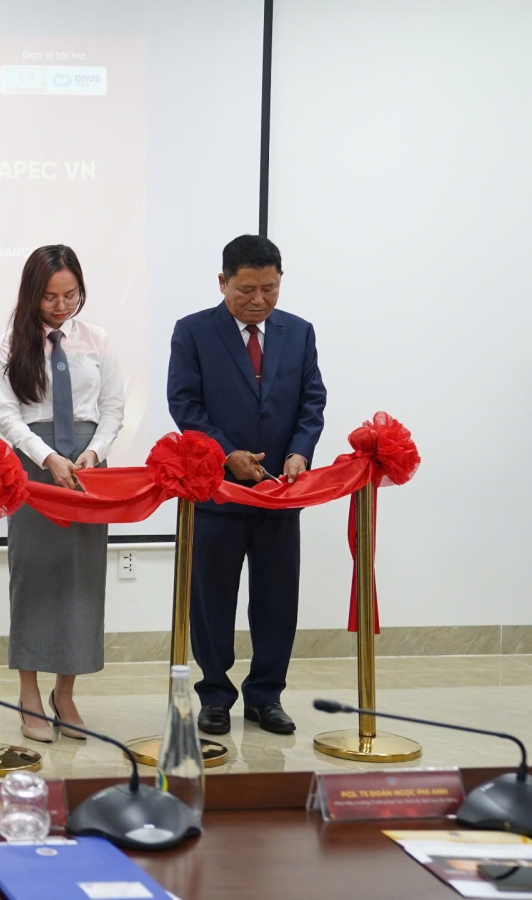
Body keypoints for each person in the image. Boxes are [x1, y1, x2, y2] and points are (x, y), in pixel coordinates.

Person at [167, 234, 325, 737]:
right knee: (211, 600)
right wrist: (225, 453)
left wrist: (300, 452)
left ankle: (266, 696)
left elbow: (312, 402)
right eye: (247, 289)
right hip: (218, 493)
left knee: (277, 599)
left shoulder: (298, 332)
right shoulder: (193, 331)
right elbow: (184, 403)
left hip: (280, 493)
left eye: (269, 289)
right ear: (223, 282)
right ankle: (214, 695)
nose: (259, 300)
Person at [0, 245, 124, 743]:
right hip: (34, 466)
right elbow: (7, 415)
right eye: (50, 297)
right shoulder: (11, 344)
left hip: (88, 469)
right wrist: (47, 457)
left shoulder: (98, 340)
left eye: (70, 295)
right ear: (32, 294)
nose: (61, 305)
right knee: (33, 578)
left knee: (79, 581)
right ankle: (28, 694)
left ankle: (65, 693)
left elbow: (112, 407)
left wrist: (95, 452)